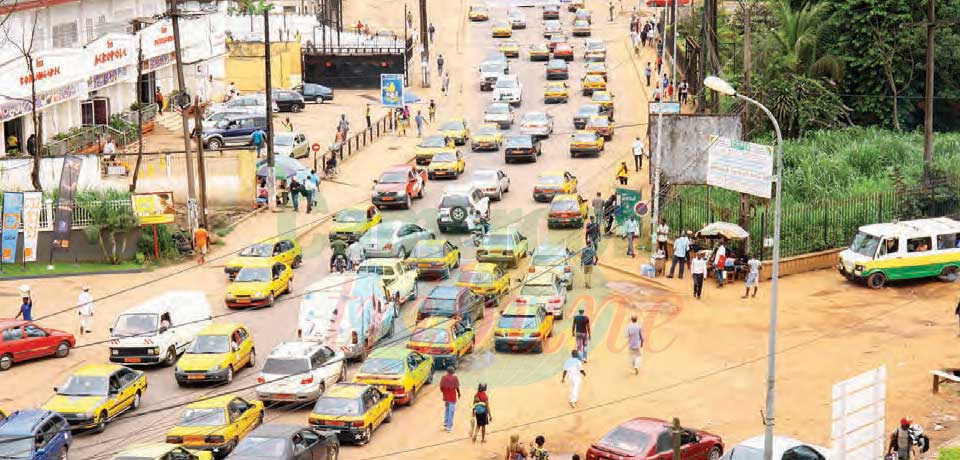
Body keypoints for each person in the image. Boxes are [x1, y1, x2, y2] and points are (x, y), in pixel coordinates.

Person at [439, 366, 460, 432]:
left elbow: (441, 387)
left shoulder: (443, 378)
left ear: (447, 371)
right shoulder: (455, 378)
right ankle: (449, 427)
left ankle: (445, 422)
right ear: (453, 372)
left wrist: (444, 393)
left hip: (446, 397)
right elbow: (457, 387)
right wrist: (459, 393)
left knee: (447, 409)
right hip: (452, 397)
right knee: (451, 411)